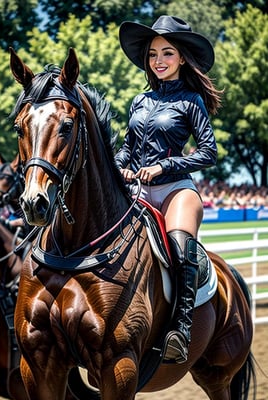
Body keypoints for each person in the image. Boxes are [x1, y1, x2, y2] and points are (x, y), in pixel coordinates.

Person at [115, 15, 222, 363]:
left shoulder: (192, 100)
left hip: (177, 191)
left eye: (167, 53)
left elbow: (209, 152)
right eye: (152, 55)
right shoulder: (139, 101)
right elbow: (128, 148)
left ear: (182, 58)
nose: (158, 61)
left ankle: (181, 328)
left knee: (177, 245)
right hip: (138, 192)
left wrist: (165, 165)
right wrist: (120, 165)